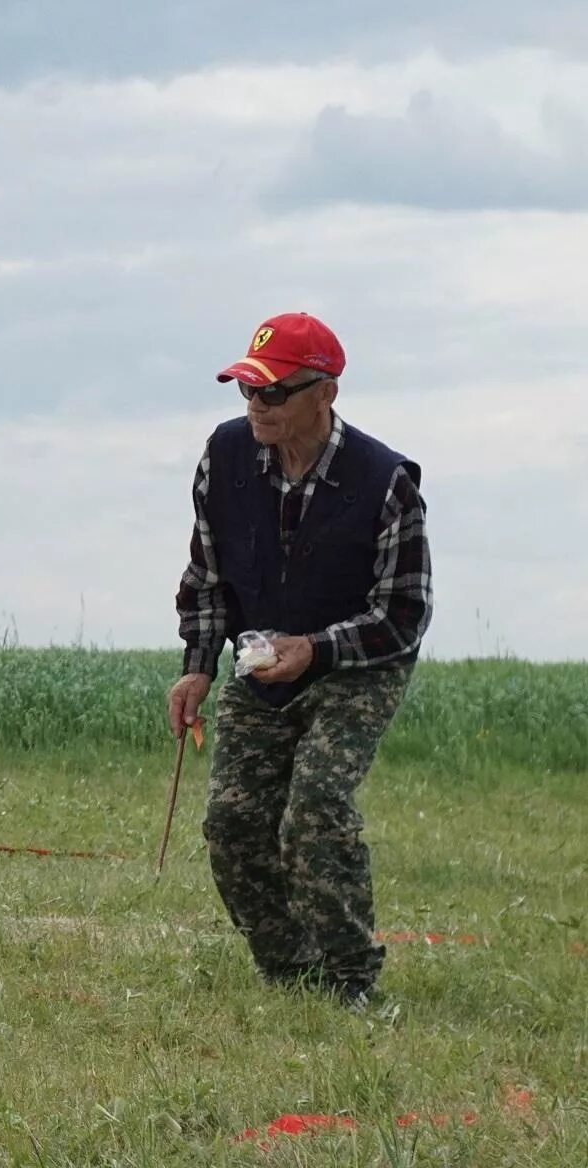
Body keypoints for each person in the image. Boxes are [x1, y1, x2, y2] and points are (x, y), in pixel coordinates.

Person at [167, 312, 431, 1008]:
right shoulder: (223, 458)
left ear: (325, 393)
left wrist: (315, 649)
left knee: (313, 809)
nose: (258, 406)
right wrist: (198, 663)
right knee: (233, 822)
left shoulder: (387, 482)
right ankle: (292, 972)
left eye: (275, 393)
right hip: (262, 667)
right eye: (248, 391)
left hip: (356, 670)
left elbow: (403, 616)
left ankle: (352, 981)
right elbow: (207, 576)